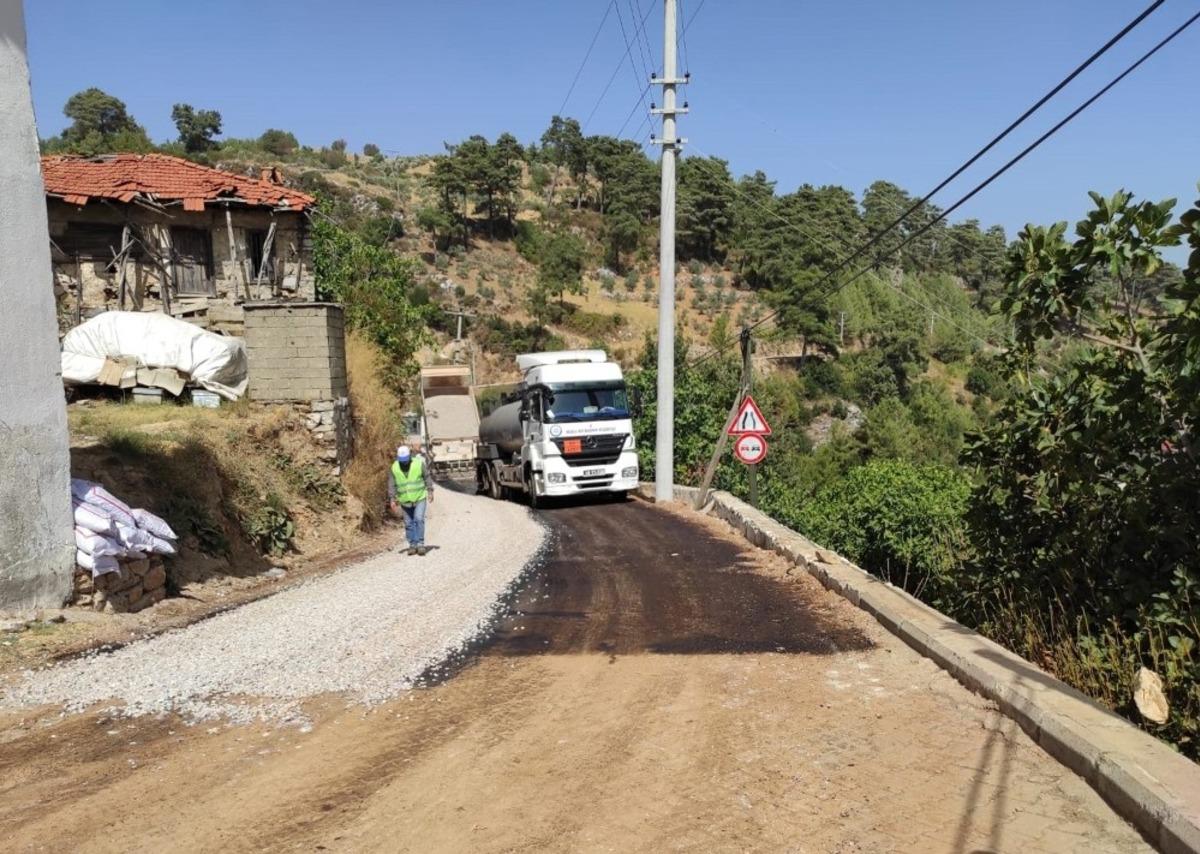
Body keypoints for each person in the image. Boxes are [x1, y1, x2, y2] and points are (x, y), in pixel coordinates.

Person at [388, 445, 433, 556]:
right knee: (408, 523)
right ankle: (412, 545)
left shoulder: (418, 464)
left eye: (406, 460)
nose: (404, 462)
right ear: (398, 458)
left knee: (419, 519)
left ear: (410, 456)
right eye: (402, 460)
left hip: (419, 497)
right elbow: (391, 484)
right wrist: (392, 498)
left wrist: (430, 491)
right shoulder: (394, 467)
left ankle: (420, 544)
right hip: (404, 500)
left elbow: (427, 477)